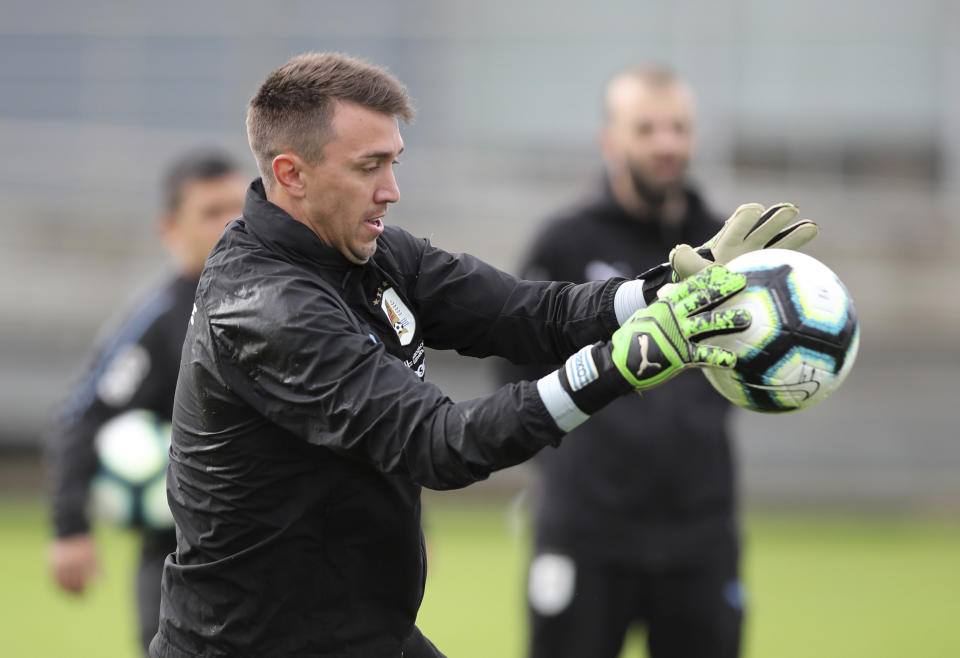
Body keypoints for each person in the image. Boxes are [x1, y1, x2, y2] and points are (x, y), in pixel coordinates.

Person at [148, 52, 816, 658]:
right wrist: (622, 363)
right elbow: (442, 443)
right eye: (368, 167)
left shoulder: (372, 251)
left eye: (394, 162)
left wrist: (667, 289)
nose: (391, 190)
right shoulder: (269, 308)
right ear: (291, 175)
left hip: (358, 633)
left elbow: (527, 313)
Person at [496, 64, 812, 658]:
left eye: (678, 128)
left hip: (700, 533)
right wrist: (575, 476)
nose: (665, 144)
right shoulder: (564, 241)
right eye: (646, 129)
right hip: (586, 530)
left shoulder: (730, 247)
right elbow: (516, 374)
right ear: (609, 140)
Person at [47, 150, 247, 655]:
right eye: (210, 211)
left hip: (286, 549)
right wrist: (71, 527)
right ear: (170, 228)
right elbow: (83, 414)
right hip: (182, 557)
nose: (230, 222)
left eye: (238, 206)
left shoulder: (289, 302)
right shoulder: (157, 320)